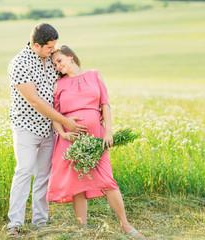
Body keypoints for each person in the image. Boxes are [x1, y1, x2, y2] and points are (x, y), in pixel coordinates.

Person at [47, 45, 145, 238]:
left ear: (71, 57)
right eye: (54, 64)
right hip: (71, 141)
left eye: (59, 61)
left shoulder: (94, 75)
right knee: (77, 185)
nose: (57, 66)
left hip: (97, 139)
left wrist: (108, 132)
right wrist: (64, 134)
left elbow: (105, 105)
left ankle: (126, 226)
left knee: (109, 181)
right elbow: (55, 116)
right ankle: (82, 230)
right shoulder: (59, 85)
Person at [7, 24, 87, 238]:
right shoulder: (19, 64)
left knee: (44, 175)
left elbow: (66, 85)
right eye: (49, 47)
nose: (53, 50)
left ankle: (40, 222)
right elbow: (35, 100)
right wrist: (66, 122)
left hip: (50, 128)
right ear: (36, 45)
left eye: (54, 46)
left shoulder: (52, 61)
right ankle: (14, 223)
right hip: (26, 125)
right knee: (24, 170)